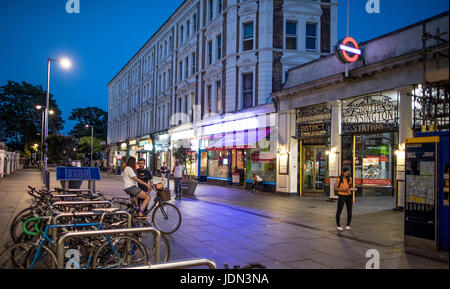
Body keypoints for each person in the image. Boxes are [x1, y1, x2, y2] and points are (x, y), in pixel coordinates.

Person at [334, 167, 353, 232]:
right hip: (342, 195)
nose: (347, 174)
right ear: (343, 172)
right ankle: (338, 225)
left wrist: (352, 189)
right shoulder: (338, 179)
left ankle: (348, 225)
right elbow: (335, 188)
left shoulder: (350, 178)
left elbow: (349, 187)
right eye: (346, 173)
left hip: (349, 195)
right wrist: (342, 190)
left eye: (348, 173)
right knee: (339, 210)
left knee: (349, 210)